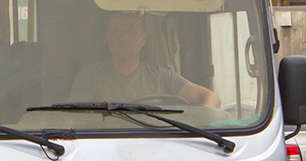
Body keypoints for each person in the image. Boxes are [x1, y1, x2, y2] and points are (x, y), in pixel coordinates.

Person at [69, 12, 221, 107]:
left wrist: (195, 129)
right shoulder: (89, 76)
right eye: (116, 31)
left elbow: (212, 98)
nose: (123, 37)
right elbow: (74, 121)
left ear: (143, 39)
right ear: (106, 38)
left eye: (131, 30)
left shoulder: (161, 76)